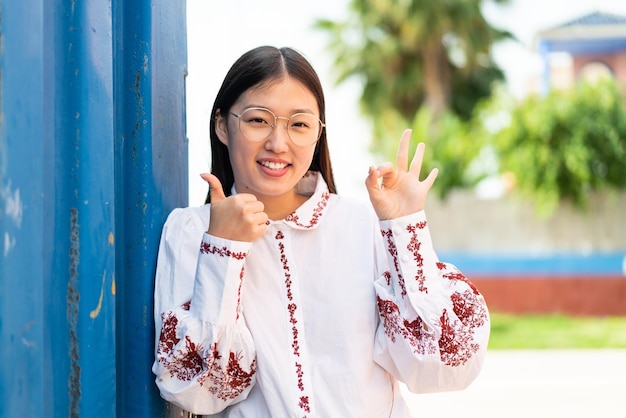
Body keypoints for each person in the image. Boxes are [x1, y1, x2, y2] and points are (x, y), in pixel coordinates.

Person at [152, 45, 490, 417]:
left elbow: (442, 368)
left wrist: (406, 227)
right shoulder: (190, 232)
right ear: (222, 126)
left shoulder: (363, 226)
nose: (278, 143)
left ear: (317, 135)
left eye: (299, 124)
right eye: (257, 120)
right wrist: (223, 251)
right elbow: (202, 392)